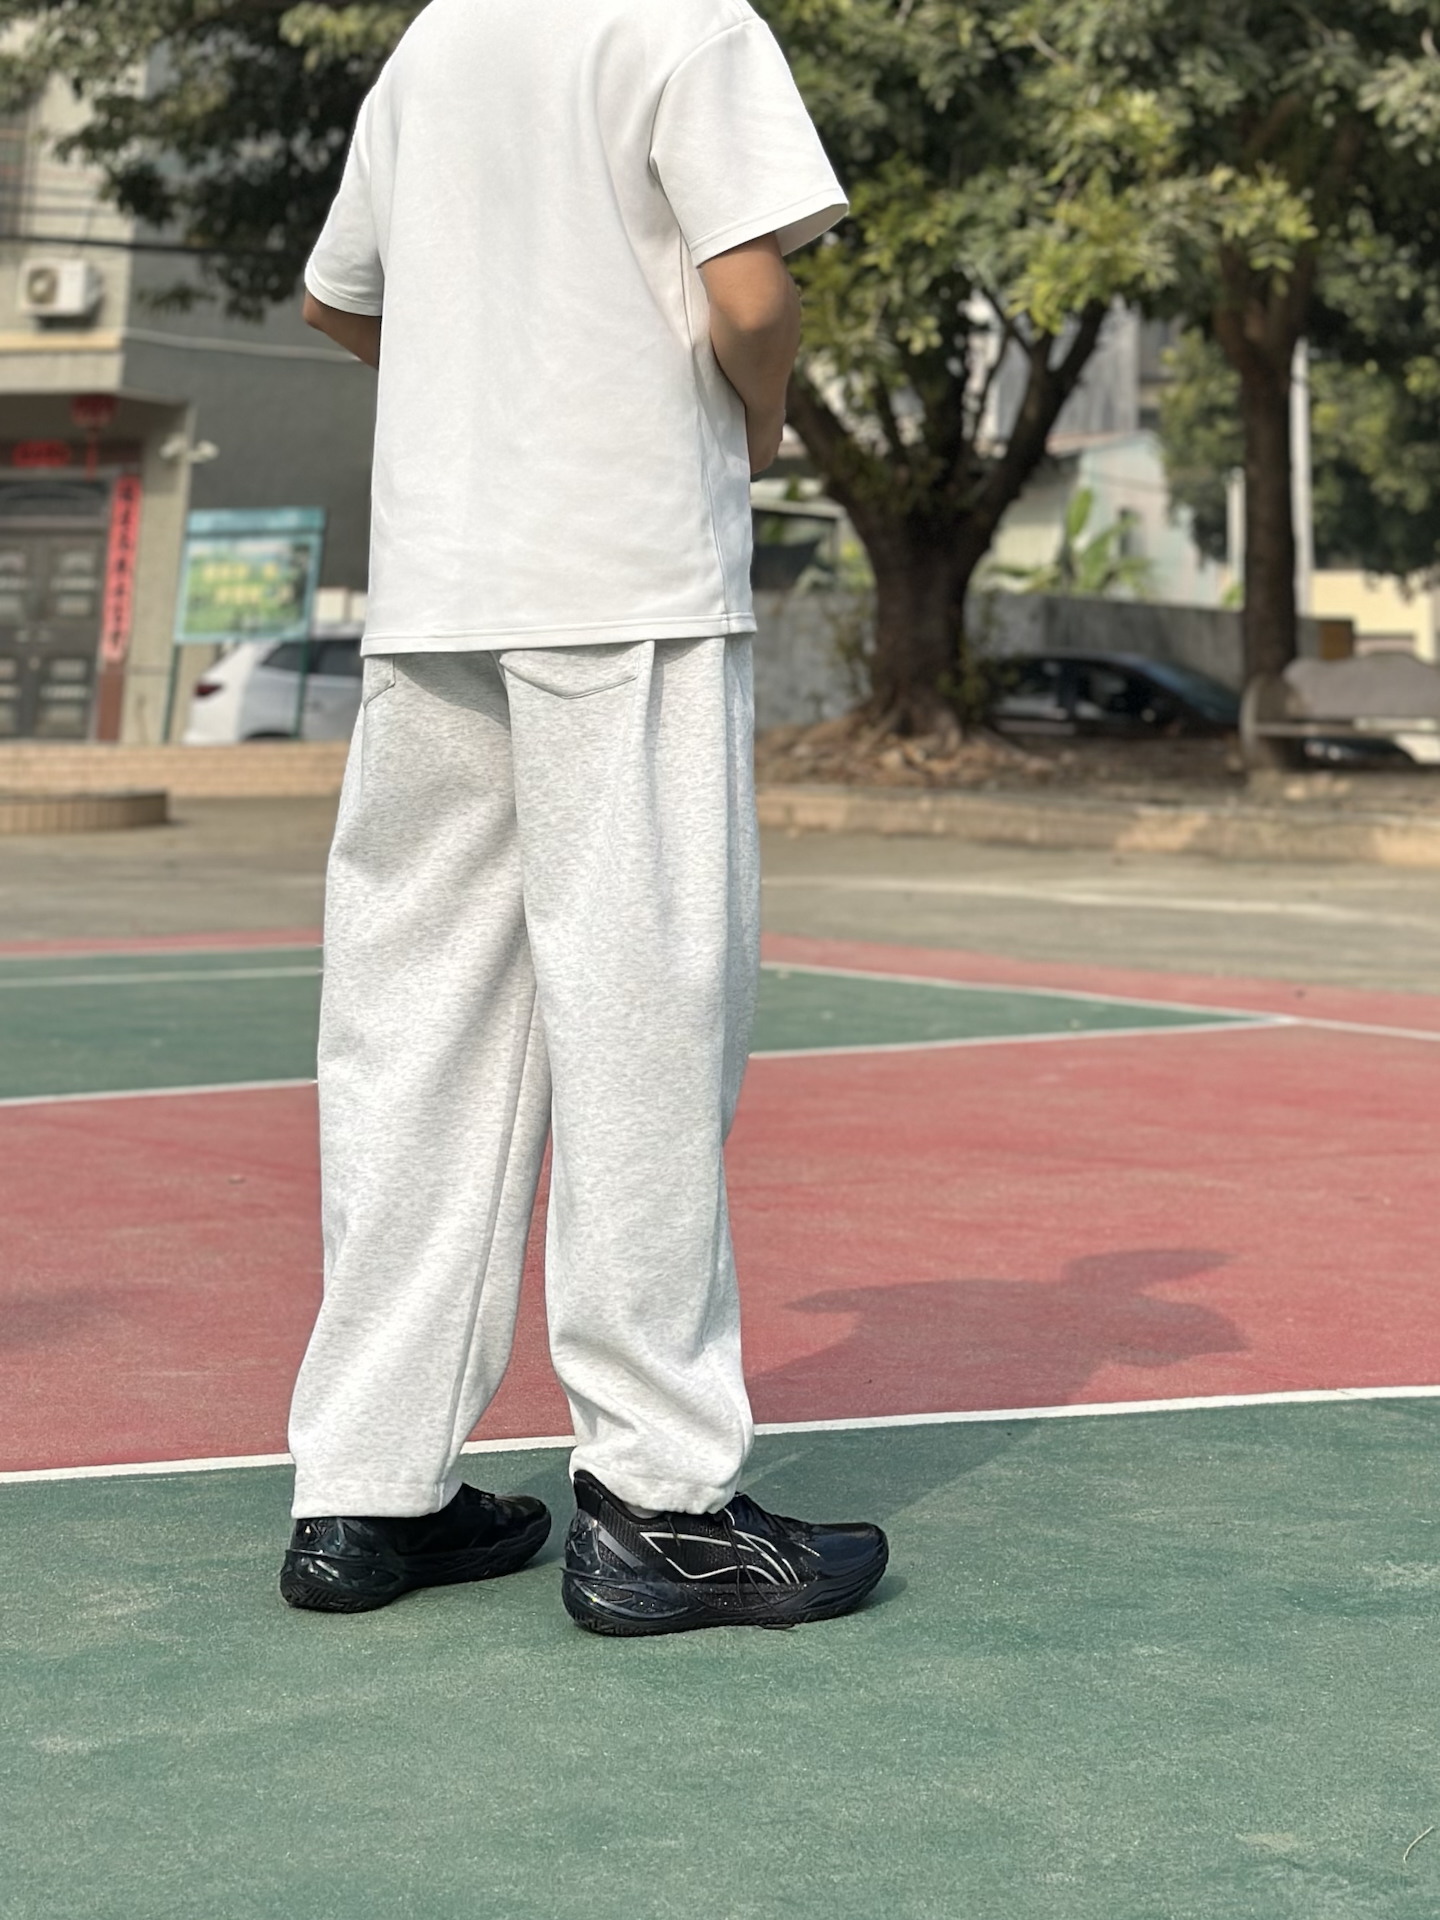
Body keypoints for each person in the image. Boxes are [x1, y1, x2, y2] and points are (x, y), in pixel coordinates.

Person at [282, 0, 888, 1635]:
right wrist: (755, 420)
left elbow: (339, 298)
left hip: (439, 584)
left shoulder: (435, 41)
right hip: (624, 573)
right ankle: (660, 1508)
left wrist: (487, 401)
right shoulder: (690, 22)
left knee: (415, 1030)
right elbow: (750, 293)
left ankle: (366, 1493)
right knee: (643, 1021)